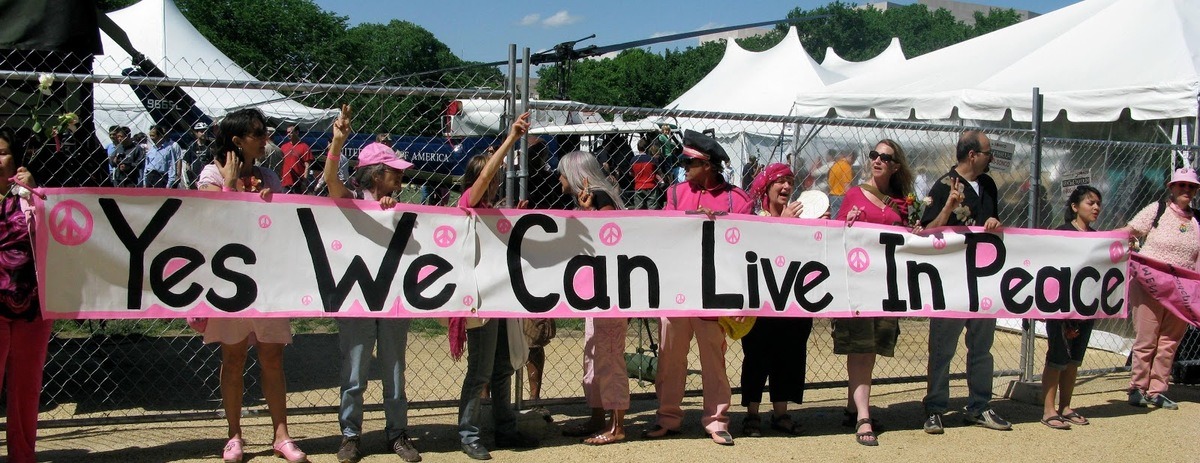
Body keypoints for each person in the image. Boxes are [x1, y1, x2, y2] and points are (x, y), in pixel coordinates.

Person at [195, 109, 308, 463]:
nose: (264, 138)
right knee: (233, 358)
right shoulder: (210, 175)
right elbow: (214, 224)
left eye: (264, 132)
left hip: (266, 282)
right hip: (228, 284)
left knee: (272, 358)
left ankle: (281, 435)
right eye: (257, 133)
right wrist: (230, 188)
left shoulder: (269, 177)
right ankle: (234, 436)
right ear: (236, 140)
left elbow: (280, 226)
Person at [323, 105, 421, 462]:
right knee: (355, 372)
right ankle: (351, 435)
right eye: (394, 173)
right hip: (356, 298)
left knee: (394, 372)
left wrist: (391, 210)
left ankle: (397, 434)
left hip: (393, 297)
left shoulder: (397, 208)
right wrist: (337, 142)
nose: (401, 179)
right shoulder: (349, 203)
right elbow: (332, 182)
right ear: (376, 174)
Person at [645, 130, 752, 446]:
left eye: (687, 161)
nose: (682, 166)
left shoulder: (737, 200)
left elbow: (747, 245)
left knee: (713, 359)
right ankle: (667, 417)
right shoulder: (676, 195)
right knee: (670, 358)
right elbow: (664, 235)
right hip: (677, 290)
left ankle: (717, 420)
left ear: (707, 164)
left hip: (713, 293)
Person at [452, 112, 538, 461]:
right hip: (479, 300)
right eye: (492, 175)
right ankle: (469, 433)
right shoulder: (467, 205)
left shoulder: (491, 210)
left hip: (500, 297)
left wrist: (515, 220)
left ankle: (504, 426)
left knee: (503, 366)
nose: (496, 180)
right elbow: (484, 176)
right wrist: (511, 140)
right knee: (480, 370)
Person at [919, 130, 1009, 434]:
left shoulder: (988, 185)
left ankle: (979, 405)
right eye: (987, 153)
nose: (991, 158)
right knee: (943, 347)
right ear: (972, 155)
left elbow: (990, 223)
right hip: (951, 280)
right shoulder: (944, 186)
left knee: (982, 346)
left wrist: (994, 224)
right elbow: (925, 230)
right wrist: (947, 208)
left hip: (984, 279)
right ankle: (934, 407)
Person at [835, 140, 915, 446]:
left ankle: (853, 406)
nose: (877, 160)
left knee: (871, 349)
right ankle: (863, 418)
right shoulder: (855, 194)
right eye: (874, 155)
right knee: (861, 348)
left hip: (886, 285)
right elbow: (837, 233)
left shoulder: (901, 201)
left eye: (885, 157)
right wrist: (849, 220)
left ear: (895, 165)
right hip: (858, 283)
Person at [554, 151, 631, 446]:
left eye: (562, 173)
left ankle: (617, 425)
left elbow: (609, 240)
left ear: (575, 174)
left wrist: (589, 213)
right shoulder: (595, 198)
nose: (558, 178)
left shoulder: (601, 198)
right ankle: (598, 416)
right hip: (596, 292)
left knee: (609, 355)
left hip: (610, 293)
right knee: (594, 355)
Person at [739, 162, 813, 439]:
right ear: (766, 187)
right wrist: (785, 223)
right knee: (757, 355)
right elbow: (755, 247)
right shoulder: (754, 215)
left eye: (790, 183)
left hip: (793, 297)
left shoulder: (803, 214)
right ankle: (752, 414)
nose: (785, 187)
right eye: (779, 182)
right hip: (762, 298)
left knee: (790, 352)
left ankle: (781, 413)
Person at [1119, 168, 1200, 411]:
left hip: (1182, 290)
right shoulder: (1157, 211)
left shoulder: (1197, 219)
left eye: (1191, 187)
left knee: (1169, 341)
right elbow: (1129, 231)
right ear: (1171, 188)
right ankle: (1137, 387)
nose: (1186, 190)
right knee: (1146, 338)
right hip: (1149, 285)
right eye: (1181, 185)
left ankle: (1157, 390)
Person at [0, 128, 51, 463]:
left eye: (2, 152)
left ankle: (23, 455)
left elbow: (57, 231)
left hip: (32, 305)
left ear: (15, 158)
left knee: (25, 388)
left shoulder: (29, 195)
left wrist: (32, 192)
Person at [1040, 185, 1104, 430]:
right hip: (1060, 308)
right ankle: (1049, 410)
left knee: (1074, 360)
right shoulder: (1061, 234)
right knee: (1057, 357)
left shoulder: (1099, 239)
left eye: (1098, 203)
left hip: (1085, 308)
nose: (1096, 207)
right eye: (1090, 203)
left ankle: (1066, 406)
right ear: (1075, 207)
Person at [142, 124, 181, 188]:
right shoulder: (151, 149)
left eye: (153, 136)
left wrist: (169, 184)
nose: (151, 138)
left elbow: (172, 167)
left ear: (160, 135)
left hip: (161, 178)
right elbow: (146, 166)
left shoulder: (168, 149)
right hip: (150, 177)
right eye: (150, 135)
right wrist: (144, 182)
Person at [629, 137, 663, 210]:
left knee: (638, 208)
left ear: (638, 148)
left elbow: (631, 173)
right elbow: (658, 172)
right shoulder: (652, 160)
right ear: (647, 147)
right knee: (652, 206)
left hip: (639, 185)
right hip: (651, 185)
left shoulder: (633, 160)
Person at [280, 124, 313, 194]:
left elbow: (307, 165)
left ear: (297, 132)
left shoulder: (304, 147)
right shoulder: (283, 147)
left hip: (298, 183)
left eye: (291, 132)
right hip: (285, 182)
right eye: (287, 132)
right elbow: (280, 164)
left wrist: (304, 181)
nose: (289, 134)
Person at [182, 121, 211, 189]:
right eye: (201, 131)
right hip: (195, 177)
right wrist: (191, 178)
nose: (204, 133)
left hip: (208, 176)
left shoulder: (210, 145)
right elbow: (187, 163)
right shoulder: (192, 146)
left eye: (205, 131)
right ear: (196, 133)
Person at [827, 150, 855, 216]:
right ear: (851, 156)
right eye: (854, 160)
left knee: (833, 217)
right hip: (841, 197)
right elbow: (847, 186)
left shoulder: (835, 165)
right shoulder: (846, 167)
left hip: (832, 195)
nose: (853, 163)